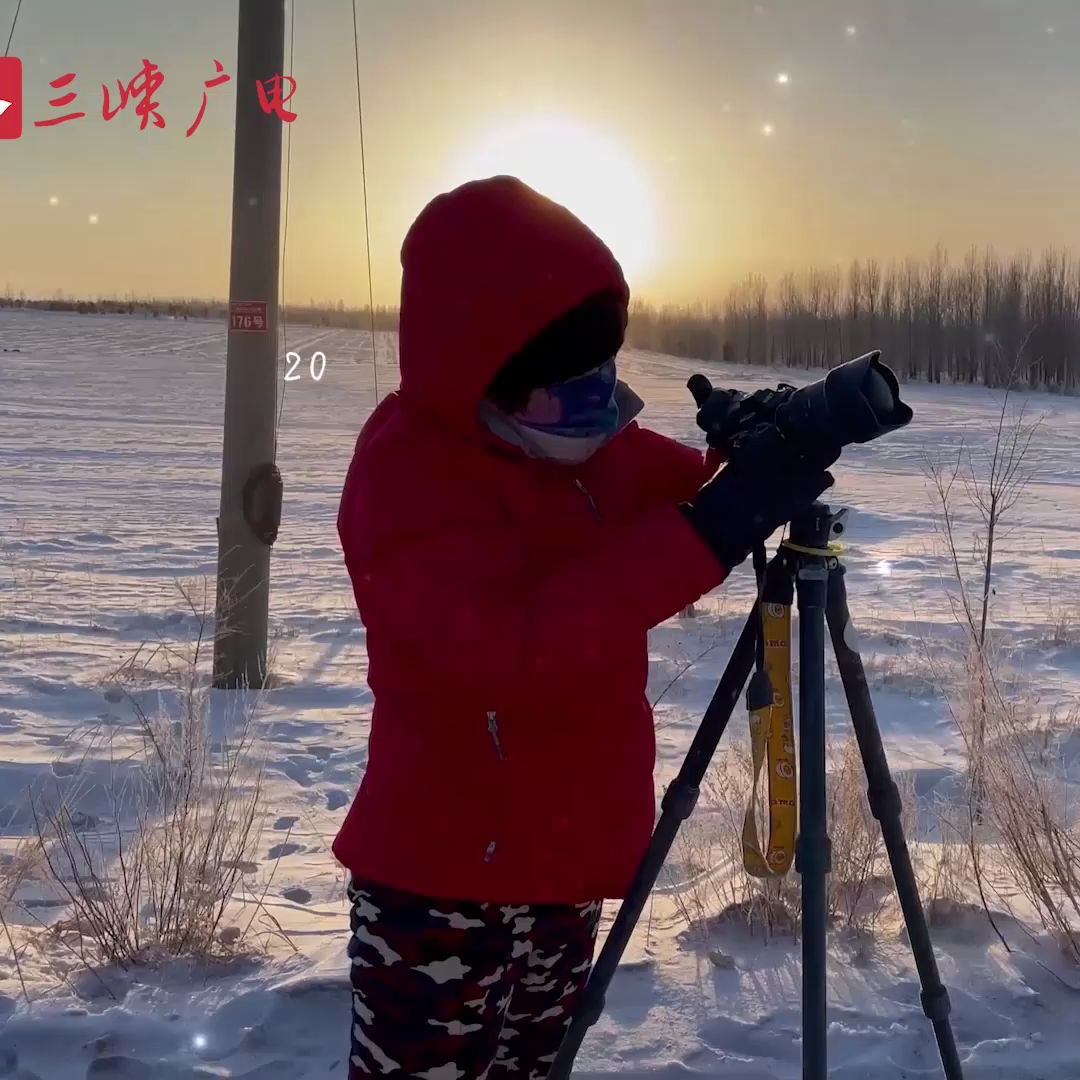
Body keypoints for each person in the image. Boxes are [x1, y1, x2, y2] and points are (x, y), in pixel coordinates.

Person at [334, 175, 832, 1079]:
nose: (599, 415)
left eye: (608, 381)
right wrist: (708, 532)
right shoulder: (406, 479)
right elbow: (510, 646)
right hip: (442, 879)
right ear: (479, 376)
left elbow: (673, 481)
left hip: (563, 859)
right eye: (566, 395)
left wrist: (749, 451)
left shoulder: (582, 441)